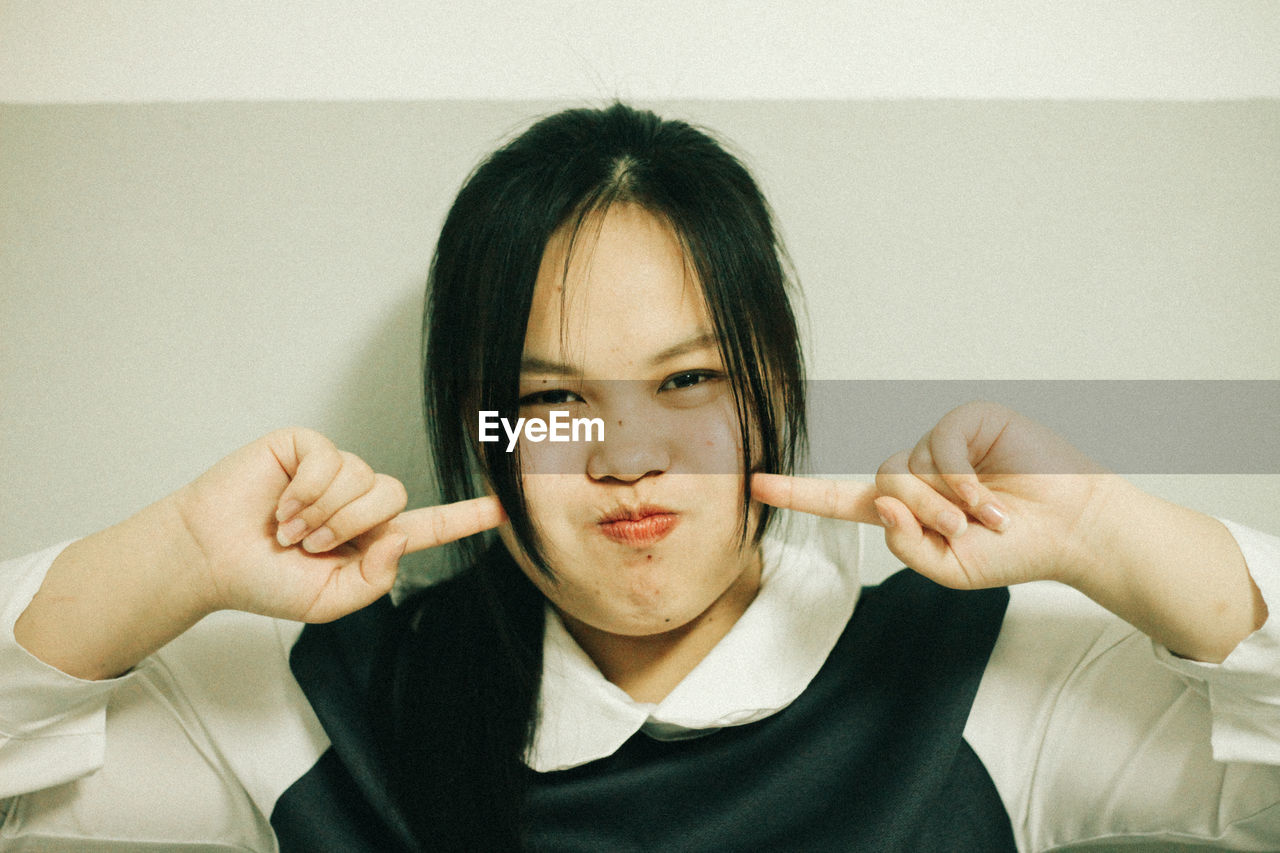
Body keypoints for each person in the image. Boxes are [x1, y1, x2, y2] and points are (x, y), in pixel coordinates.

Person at [1, 102, 1277, 851]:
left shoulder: (967, 680)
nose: (621, 458)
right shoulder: (326, 704)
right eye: (551, 400)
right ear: (480, 426)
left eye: (687, 384)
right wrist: (172, 551)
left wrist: (1110, 529)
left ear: (772, 392)